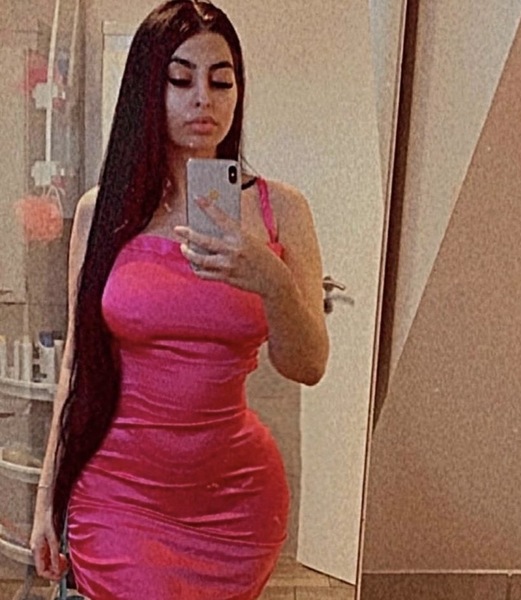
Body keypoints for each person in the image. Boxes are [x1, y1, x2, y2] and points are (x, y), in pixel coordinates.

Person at [28, 1, 329, 598]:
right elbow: (77, 364)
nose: (203, 100)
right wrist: (46, 498)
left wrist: (271, 279)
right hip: (118, 490)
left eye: (222, 81)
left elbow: (308, 365)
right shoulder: (101, 212)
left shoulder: (280, 211)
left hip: (234, 499)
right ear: (149, 88)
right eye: (181, 79)